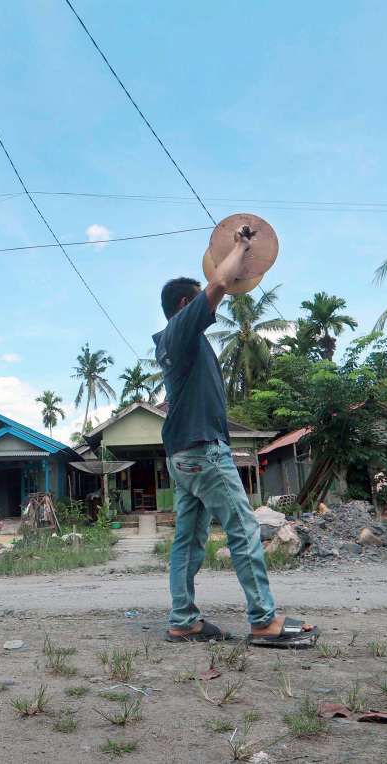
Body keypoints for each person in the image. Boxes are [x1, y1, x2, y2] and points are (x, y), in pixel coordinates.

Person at [153, 231, 318, 647]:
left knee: (188, 542)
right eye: (201, 301)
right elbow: (220, 284)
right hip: (204, 454)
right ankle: (263, 620)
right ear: (184, 305)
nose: (213, 305)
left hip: (184, 455)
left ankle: (183, 619)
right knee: (244, 529)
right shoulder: (182, 330)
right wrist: (242, 247)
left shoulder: (175, 345)